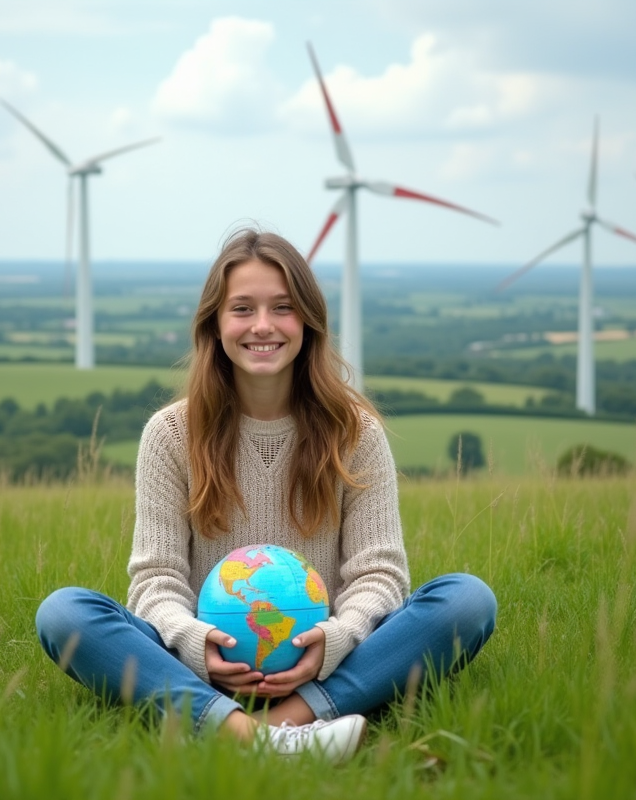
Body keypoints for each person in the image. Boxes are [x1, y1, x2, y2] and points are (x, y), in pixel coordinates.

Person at [36, 228, 496, 762]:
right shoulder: (169, 435)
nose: (262, 326)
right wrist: (194, 643)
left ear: (308, 321)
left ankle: (274, 725)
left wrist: (335, 639)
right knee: (64, 613)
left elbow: (380, 576)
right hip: (201, 666)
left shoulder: (357, 434)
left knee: (466, 600)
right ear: (215, 323)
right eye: (242, 308)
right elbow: (156, 581)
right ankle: (257, 733)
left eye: (283, 307)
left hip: (324, 660)